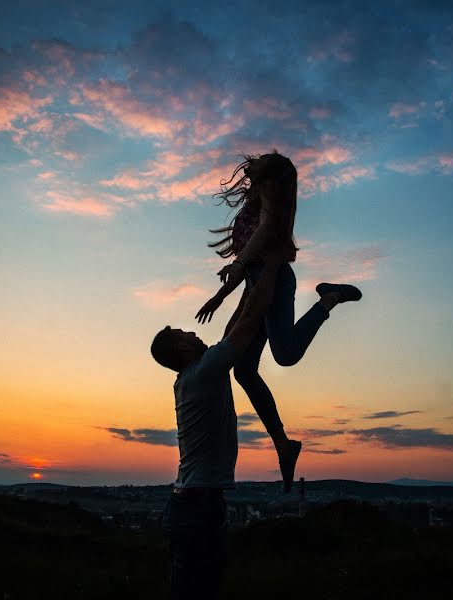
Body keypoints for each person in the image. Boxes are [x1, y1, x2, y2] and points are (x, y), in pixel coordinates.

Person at [195, 151, 362, 492]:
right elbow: (248, 262)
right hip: (256, 284)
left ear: (271, 177)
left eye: (262, 163)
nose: (252, 162)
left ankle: (329, 299)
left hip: (274, 281)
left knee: (285, 355)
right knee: (241, 369)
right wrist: (221, 295)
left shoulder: (272, 198)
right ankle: (284, 444)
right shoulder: (256, 198)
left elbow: (264, 238)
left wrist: (240, 266)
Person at [151, 252, 283, 600]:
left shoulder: (197, 374)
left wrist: (248, 282)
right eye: (186, 332)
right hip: (196, 510)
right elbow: (249, 321)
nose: (194, 332)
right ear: (181, 347)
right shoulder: (206, 371)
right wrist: (272, 264)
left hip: (196, 507)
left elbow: (232, 327)